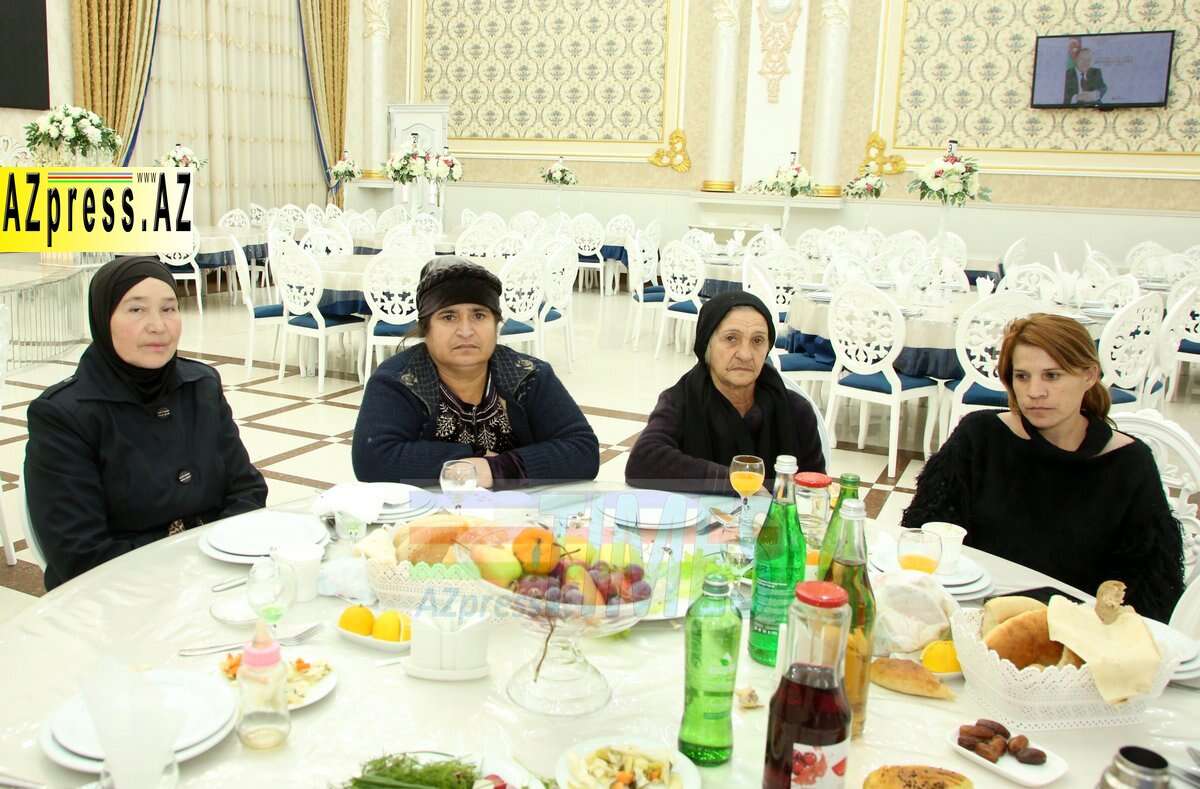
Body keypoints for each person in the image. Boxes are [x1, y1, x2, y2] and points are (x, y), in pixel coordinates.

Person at [901, 314, 1183, 622]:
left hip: (1078, 634)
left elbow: (1153, 592)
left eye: (1052, 376)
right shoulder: (979, 436)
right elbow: (923, 535)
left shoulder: (1129, 463)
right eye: (1022, 376)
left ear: (1089, 375)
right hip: (973, 619)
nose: (1034, 391)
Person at [24, 256, 267, 590]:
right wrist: (190, 566)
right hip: (117, 596)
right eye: (136, 309)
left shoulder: (201, 386)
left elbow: (247, 490)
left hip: (216, 580)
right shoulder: (64, 415)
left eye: (168, 309)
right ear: (103, 318)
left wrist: (218, 561)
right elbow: (80, 554)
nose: (158, 326)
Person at [352, 257, 599, 488]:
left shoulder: (529, 376)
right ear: (426, 328)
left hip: (520, 514)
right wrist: (472, 458)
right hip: (426, 515)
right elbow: (372, 460)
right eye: (448, 317)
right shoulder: (398, 380)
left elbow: (583, 451)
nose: (466, 331)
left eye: (479, 316)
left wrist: (496, 469)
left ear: (496, 325)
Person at [625, 291, 826, 494]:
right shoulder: (681, 401)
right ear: (707, 344)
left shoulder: (795, 410)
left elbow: (814, 490)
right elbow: (643, 461)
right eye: (731, 338)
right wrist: (740, 483)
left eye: (757, 340)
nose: (745, 355)